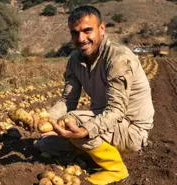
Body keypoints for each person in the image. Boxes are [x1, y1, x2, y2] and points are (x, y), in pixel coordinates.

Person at [34, 5, 154, 185]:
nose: (81, 39)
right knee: (46, 143)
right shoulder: (75, 60)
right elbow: (68, 100)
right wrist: (45, 119)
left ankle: (115, 168)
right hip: (107, 125)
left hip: (131, 129)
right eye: (75, 33)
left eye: (87, 31)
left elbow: (115, 111)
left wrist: (86, 130)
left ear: (102, 29)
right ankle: (92, 150)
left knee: (71, 121)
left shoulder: (118, 58)